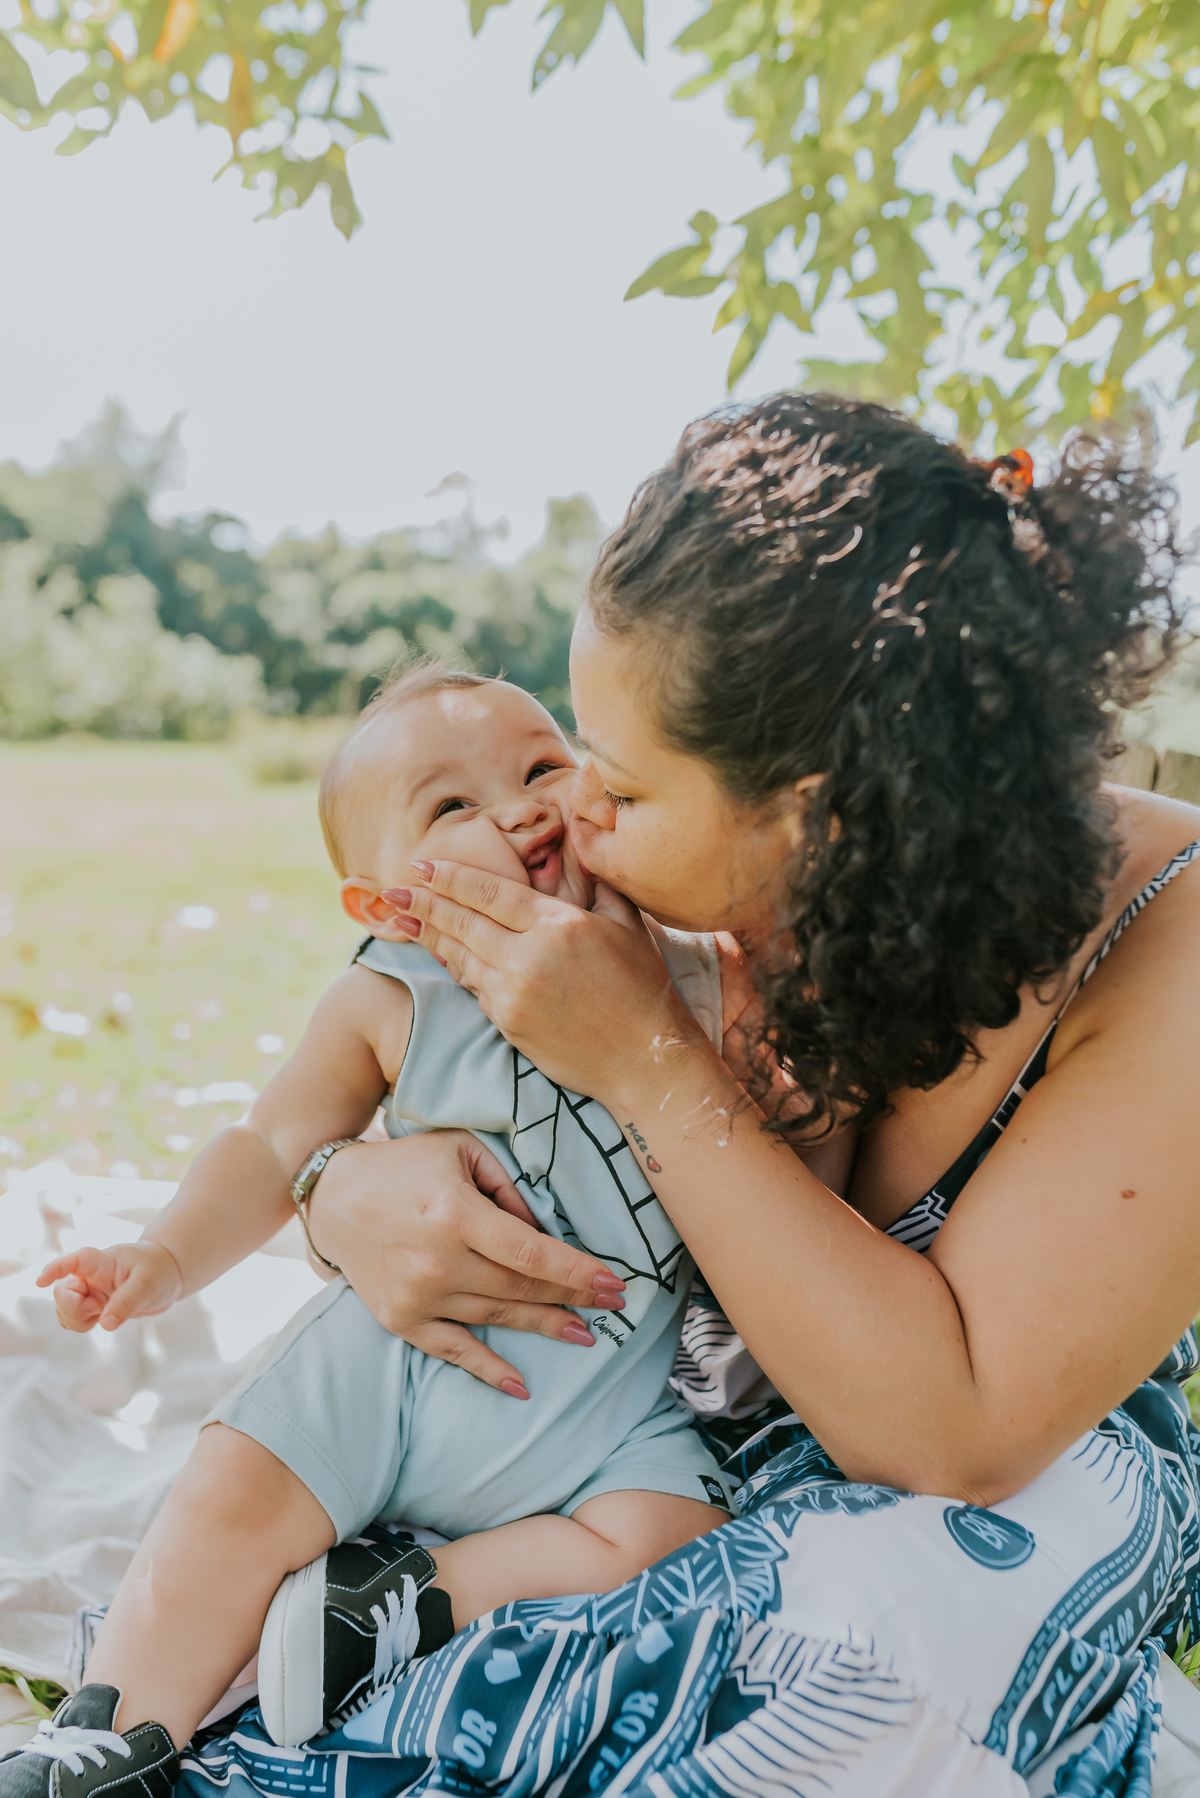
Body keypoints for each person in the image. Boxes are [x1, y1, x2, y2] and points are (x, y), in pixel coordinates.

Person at [173, 395, 1198, 1798]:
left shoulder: (1171, 941)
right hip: (637, 1403)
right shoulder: (694, 864)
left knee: (886, 1651)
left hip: (967, 1458)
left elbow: (950, 1434)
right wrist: (339, 1191)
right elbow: (398, 1059)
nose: (569, 811)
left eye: (623, 786)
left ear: (822, 813)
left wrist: (649, 1063)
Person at [4, 665, 745, 1796]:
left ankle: (407, 1596)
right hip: (399, 1375)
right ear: (387, 902)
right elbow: (268, 1146)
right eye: (452, 806)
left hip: (614, 1409)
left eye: (544, 766)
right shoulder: (394, 993)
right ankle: (119, 1726)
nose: (517, 809)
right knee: (236, 1485)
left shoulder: (687, 964)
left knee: (674, 1540)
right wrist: (160, 1256)